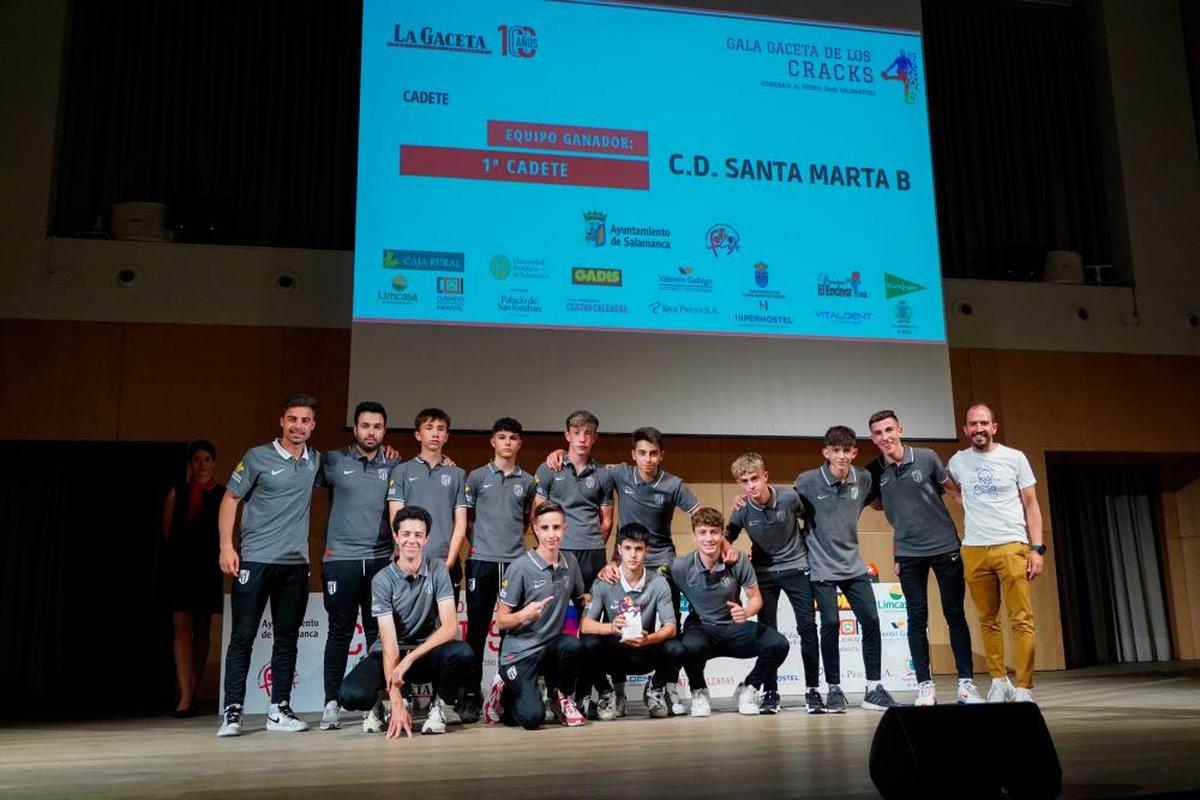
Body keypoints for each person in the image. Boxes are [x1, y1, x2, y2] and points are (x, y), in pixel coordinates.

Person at [546, 425, 698, 715]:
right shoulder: (619, 473)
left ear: (661, 455)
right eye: (642, 453)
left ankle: (665, 689)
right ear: (633, 455)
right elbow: (583, 461)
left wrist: (726, 539)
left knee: (670, 629)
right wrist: (559, 455)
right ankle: (613, 691)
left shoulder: (673, 484)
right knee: (611, 623)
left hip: (659, 558)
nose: (648, 459)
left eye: (654, 453)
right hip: (623, 558)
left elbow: (699, 514)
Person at [217, 394, 321, 737]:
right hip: (255, 560)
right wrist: (226, 546)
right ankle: (233, 712)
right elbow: (230, 498)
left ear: (313, 425)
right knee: (242, 637)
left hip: (295, 566)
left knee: (287, 639)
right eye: (293, 419)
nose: (298, 426)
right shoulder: (256, 457)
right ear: (282, 421)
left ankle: (279, 710)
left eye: (305, 421)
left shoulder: (315, 461)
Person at [865, 410, 984, 706]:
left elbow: (954, 492)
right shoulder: (873, 471)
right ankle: (925, 687)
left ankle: (966, 685)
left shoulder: (927, 457)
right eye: (878, 433)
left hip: (946, 547)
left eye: (889, 430)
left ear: (900, 429)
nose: (885, 437)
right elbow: (878, 505)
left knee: (954, 614)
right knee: (916, 619)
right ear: (872, 438)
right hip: (908, 554)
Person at [337, 505, 473, 737]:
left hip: (422, 655)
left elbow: (450, 627)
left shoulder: (438, 569)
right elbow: (389, 644)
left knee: (462, 653)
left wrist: (411, 658)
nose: (412, 540)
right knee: (351, 695)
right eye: (406, 534)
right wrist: (397, 701)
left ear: (427, 538)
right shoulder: (382, 580)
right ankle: (380, 703)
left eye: (418, 535)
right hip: (389, 655)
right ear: (396, 537)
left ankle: (439, 706)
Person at [794, 426, 898, 712]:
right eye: (835, 450)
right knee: (829, 624)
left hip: (853, 566)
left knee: (872, 622)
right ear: (826, 452)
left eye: (847, 450)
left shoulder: (863, 479)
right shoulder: (807, 481)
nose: (841, 455)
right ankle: (834, 688)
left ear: (854, 452)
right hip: (820, 566)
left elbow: (869, 502)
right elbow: (788, 511)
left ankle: (874, 687)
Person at [946, 402, 1045, 704]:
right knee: (987, 620)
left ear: (994, 427)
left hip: (1012, 545)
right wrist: (967, 502)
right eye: (973, 424)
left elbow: (1031, 504)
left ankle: (1025, 687)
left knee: (1021, 619)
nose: (979, 429)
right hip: (974, 548)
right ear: (965, 430)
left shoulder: (1014, 458)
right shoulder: (958, 460)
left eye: (984, 423)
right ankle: (1000, 681)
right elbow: (947, 486)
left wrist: (1037, 548)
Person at [315, 401, 399, 731]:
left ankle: (373, 704)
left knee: (378, 635)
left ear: (384, 431)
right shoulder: (333, 461)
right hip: (341, 560)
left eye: (377, 427)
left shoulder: (394, 465)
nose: (371, 432)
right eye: (365, 426)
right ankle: (330, 703)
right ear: (355, 429)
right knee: (339, 632)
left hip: (380, 559)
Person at [726, 452, 822, 714]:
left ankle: (813, 691)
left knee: (808, 628)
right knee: (768, 635)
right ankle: (770, 693)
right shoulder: (742, 508)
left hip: (796, 568)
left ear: (765, 476)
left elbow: (811, 520)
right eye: (744, 481)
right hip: (764, 574)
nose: (751, 485)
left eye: (754, 478)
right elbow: (727, 537)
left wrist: (808, 548)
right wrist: (731, 553)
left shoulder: (790, 497)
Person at [672, 507, 789, 717]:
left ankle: (749, 689)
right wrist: (614, 567)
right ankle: (698, 692)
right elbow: (649, 577)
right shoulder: (680, 566)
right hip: (701, 628)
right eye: (703, 532)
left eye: (714, 532)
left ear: (722, 535)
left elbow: (756, 598)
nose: (709, 538)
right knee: (688, 645)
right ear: (694, 536)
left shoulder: (738, 561)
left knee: (778, 644)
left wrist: (745, 612)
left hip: (734, 627)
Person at [460, 417, 536, 723]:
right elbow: (467, 520)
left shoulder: (528, 481)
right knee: (476, 631)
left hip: (516, 563)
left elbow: (529, 521)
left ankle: (506, 692)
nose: (507, 442)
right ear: (493, 441)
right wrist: (481, 546)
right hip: (481, 561)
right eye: (502, 437)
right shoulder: (476, 477)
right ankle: (470, 695)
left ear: (519, 443)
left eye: (512, 438)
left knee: (512, 632)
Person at [489, 501, 587, 729]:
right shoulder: (520, 568)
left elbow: (581, 599)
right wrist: (524, 614)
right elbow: (501, 622)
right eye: (545, 528)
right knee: (532, 719)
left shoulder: (570, 563)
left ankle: (560, 698)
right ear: (535, 528)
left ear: (565, 528)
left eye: (556, 527)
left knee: (572, 645)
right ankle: (503, 693)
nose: (551, 534)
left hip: (549, 649)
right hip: (519, 654)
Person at [579, 524, 683, 720]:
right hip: (614, 650)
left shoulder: (659, 583)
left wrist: (649, 639)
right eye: (628, 548)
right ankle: (606, 693)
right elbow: (585, 625)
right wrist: (611, 627)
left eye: (638, 549)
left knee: (676, 648)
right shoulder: (604, 581)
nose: (633, 555)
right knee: (587, 643)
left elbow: (670, 627)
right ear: (619, 549)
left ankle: (654, 689)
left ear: (647, 551)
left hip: (644, 648)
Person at [162, 439, 226, 717]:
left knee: (202, 627)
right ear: (190, 463)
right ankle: (185, 695)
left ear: (213, 463)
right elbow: (167, 533)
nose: (201, 465)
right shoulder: (177, 493)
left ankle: (193, 687)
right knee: (180, 625)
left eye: (206, 459)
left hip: (209, 567)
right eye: (197, 459)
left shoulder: (224, 494)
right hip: (182, 567)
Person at [387, 408, 468, 601]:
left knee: (444, 627)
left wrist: (448, 564)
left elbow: (461, 523)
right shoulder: (401, 471)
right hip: (408, 562)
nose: (435, 433)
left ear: (446, 436)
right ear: (417, 434)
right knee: (407, 627)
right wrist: (406, 559)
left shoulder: (457, 474)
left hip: (445, 562)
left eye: (441, 429)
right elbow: (395, 520)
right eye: (429, 428)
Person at [532, 410, 614, 590]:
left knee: (590, 609)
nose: (582, 439)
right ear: (567, 435)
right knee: (555, 608)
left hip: (593, 553)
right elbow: (536, 516)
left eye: (587, 433)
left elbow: (607, 522)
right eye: (576, 433)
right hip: (559, 549)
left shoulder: (604, 474)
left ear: (595, 437)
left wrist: (591, 542)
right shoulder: (548, 469)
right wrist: (548, 547)